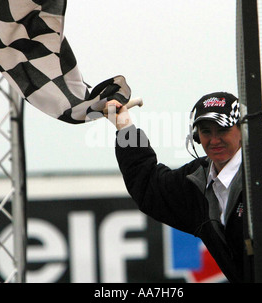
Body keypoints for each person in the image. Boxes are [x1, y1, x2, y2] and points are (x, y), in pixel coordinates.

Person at [104, 92, 247, 283]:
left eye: (222, 130)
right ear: (196, 136)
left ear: (242, 130)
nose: (214, 140)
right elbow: (147, 184)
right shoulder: (197, 180)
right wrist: (125, 128)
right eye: (206, 131)